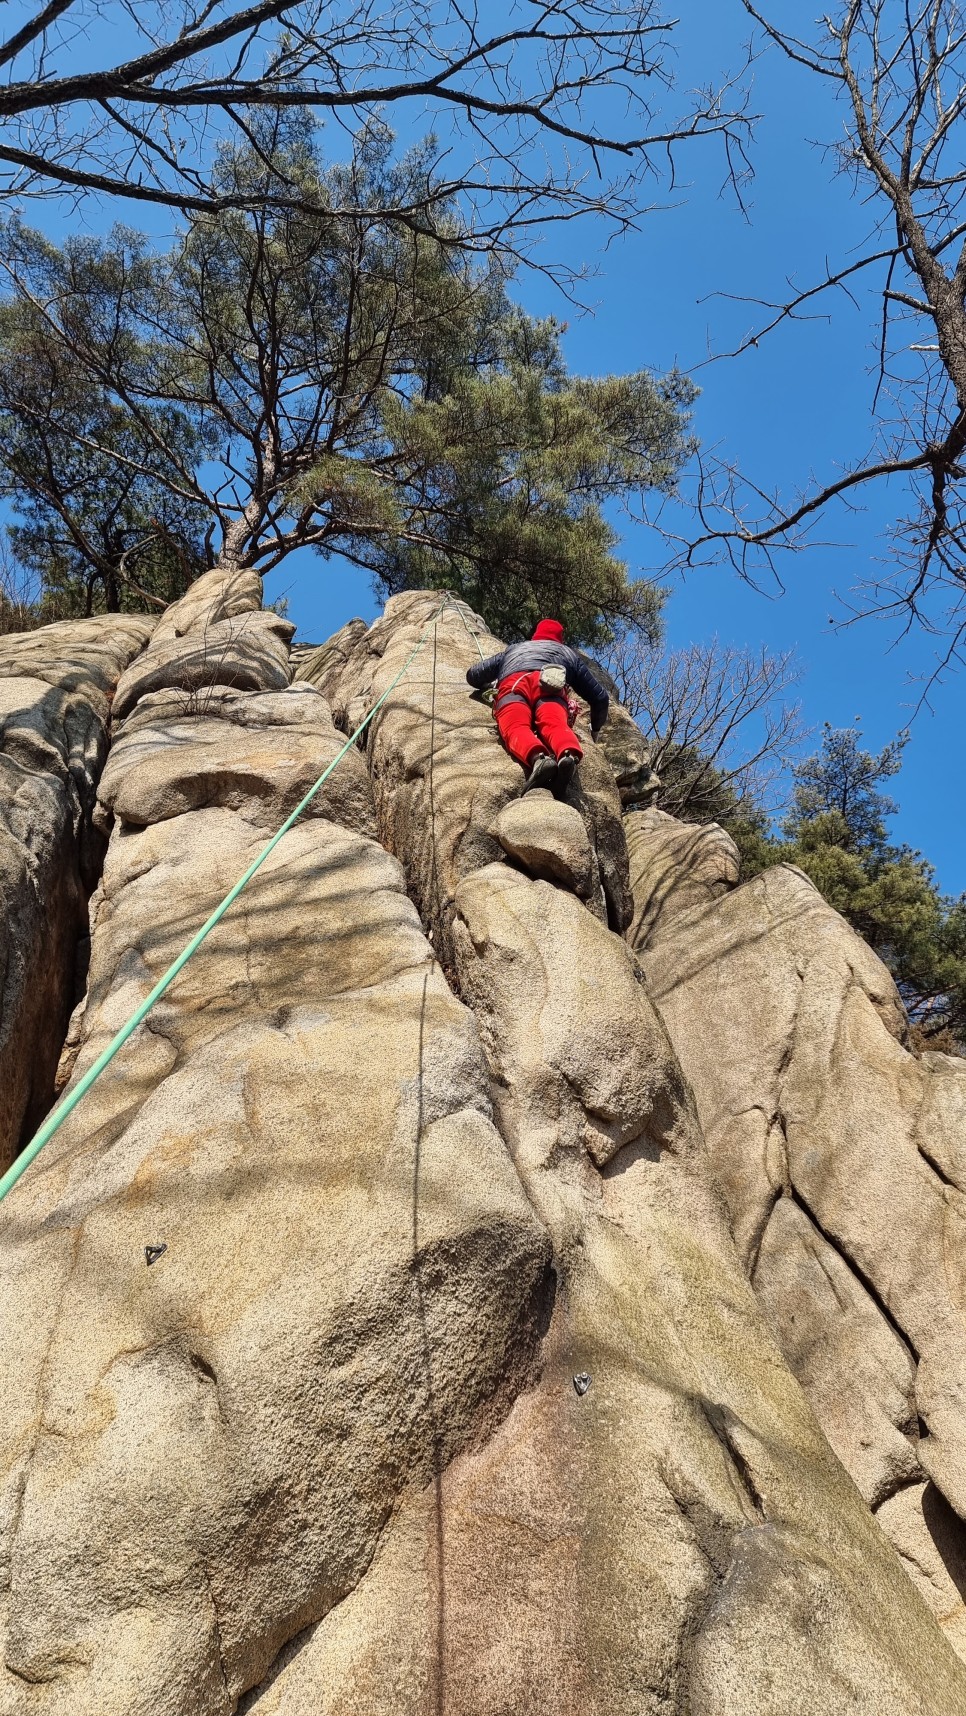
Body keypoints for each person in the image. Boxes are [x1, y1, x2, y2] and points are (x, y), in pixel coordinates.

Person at [466, 618, 610, 792]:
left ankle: (539, 759)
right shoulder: (568, 653)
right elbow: (600, 697)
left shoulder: (515, 648)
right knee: (555, 724)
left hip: (514, 685)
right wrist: (595, 730)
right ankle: (567, 754)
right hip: (551, 687)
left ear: (536, 635)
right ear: (559, 638)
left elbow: (473, 674)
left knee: (515, 726)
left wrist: (488, 685)